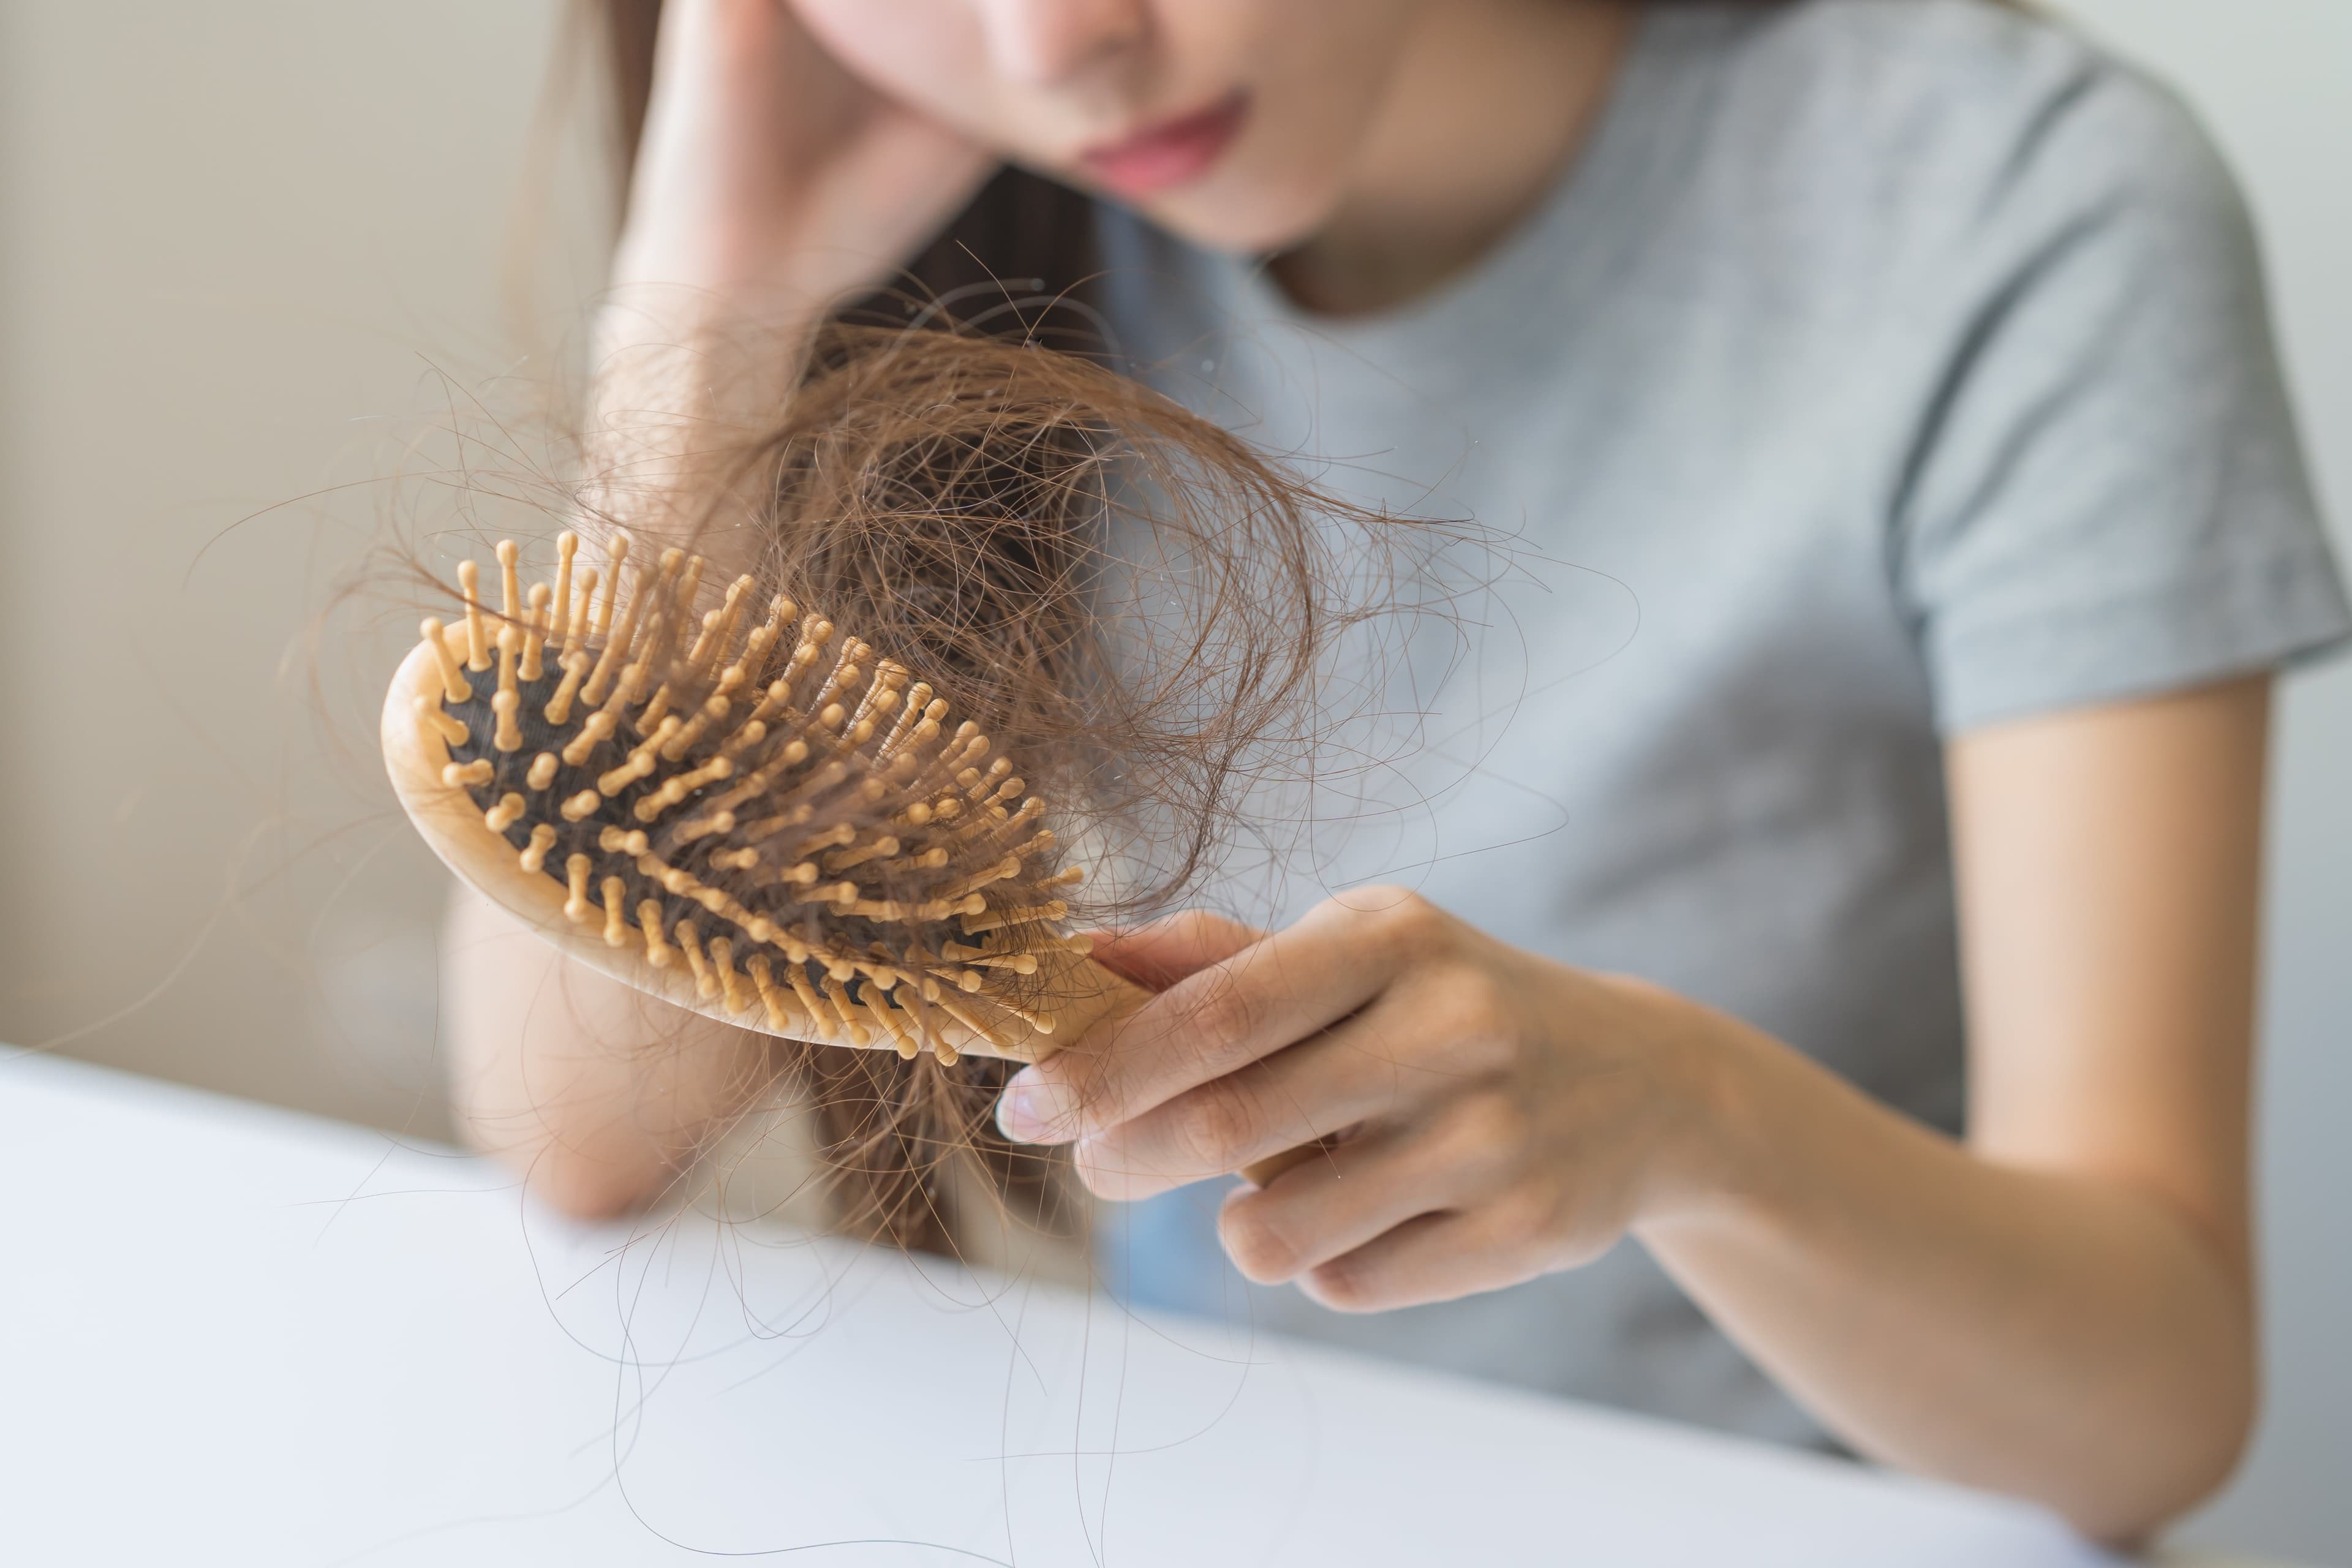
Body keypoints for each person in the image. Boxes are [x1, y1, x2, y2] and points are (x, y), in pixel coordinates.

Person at [442, 0, 2350, 1540]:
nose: (1058, 48)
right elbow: (580, 1131)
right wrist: (706, 320)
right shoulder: (970, 232)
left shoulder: (2018, 212)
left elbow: (2152, 1409)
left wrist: (1689, 1118)